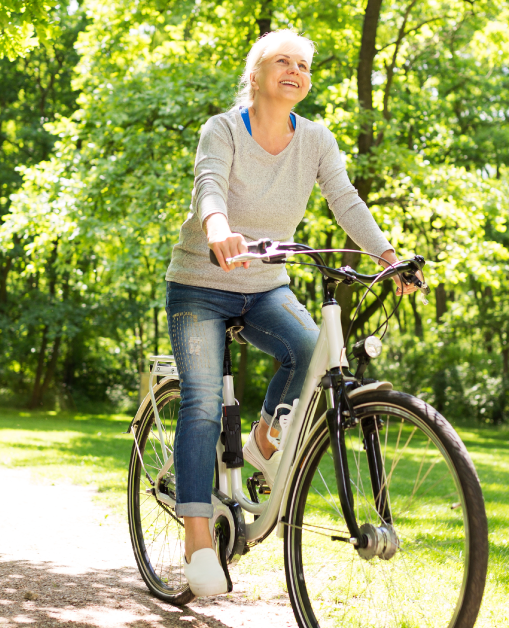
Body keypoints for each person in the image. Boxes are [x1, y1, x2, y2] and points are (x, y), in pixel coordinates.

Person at [164, 30, 422, 597]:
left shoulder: (317, 140)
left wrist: (388, 257)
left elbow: (345, 199)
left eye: (303, 65)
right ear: (254, 75)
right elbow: (209, 185)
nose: (295, 71)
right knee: (202, 401)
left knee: (311, 350)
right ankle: (198, 541)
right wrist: (218, 229)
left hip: (265, 286)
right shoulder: (223, 129)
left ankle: (262, 440)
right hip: (201, 284)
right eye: (282, 61)